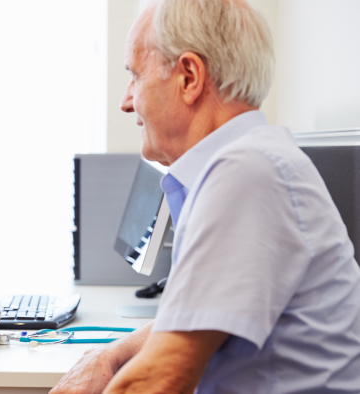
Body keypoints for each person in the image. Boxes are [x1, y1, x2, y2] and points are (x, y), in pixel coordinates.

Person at [51, 0, 360, 392]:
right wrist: (111, 354)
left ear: (189, 78)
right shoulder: (252, 160)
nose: (126, 101)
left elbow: (161, 378)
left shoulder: (246, 173)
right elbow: (195, 314)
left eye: (135, 76)